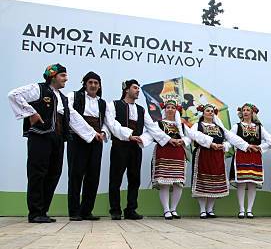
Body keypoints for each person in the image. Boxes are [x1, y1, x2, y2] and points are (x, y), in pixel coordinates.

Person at [8, 64, 99, 223]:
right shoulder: (38, 89)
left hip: (57, 139)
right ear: (52, 76)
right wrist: (32, 113)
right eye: (63, 75)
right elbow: (14, 95)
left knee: (53, 174)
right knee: (38, 174)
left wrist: (92, 133)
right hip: (40, 137)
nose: (66, 78)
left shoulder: (63, 98)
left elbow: (74, 118)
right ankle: (35, 213)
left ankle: (43, 211)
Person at [65, 71, 132, 221]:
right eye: (90, 82)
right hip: (77, 140)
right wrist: (89, 132)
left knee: (93, 176)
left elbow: (108, 123)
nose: (93, 85)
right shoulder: (74, 96)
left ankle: (86, 211)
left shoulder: (102, 103)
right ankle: (74, 211)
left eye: (96, 83)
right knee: (76, 175)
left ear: (99, 85)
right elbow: (71, 115)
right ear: (85, 84)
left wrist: (103, 133)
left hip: (96, 142)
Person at [108, 79, 171, 220]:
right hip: (119, 145)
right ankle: (115, 210)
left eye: (138, 88)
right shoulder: (114, 105)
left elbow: (153, 128)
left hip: (135, 148)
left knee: (135, 179)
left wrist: (167, 140)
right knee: (115, 179)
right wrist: (129, 135)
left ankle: (131, 209)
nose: (138, 91)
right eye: (135, 88)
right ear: (126, 90)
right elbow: (112, 124)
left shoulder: (142, 110)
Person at [187, 103, 251, 219]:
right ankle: (202, 210)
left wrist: (226, 145)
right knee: (203, 180)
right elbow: (192, 134)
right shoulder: (198, 125)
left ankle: (210, 209)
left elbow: (231, 138)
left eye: (212, 111)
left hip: (217, 156)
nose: (210, 113)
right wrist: (210, 143)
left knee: (215, 182)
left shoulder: (220, 127)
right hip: (203, 155)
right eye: (207, 111)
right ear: (203, 113)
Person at [229, 103, 271, 218]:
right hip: (241, 155)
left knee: (252, 183)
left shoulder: (259, 127)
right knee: (241, 182)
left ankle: (249, 210)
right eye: (244, 110)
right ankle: (241, 209)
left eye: (248, 110)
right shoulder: (237, 126)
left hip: (255, 156)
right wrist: (225, 147)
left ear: (252, 113)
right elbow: (230, 138)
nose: (245, 112)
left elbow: (270, 140)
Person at [151, 96, 191, 220]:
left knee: (178, 183)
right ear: (164, 109)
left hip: (178, 155)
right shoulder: (158, 124)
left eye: (173, 108)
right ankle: (166, 209)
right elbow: (154, 136)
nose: (170, 109)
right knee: (164, 182)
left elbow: (189, 137)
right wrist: (169, 140)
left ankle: (173, 209)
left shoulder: (182, 126)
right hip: (163, 154)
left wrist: (182, 141)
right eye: (168, 107)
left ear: (176, 110)